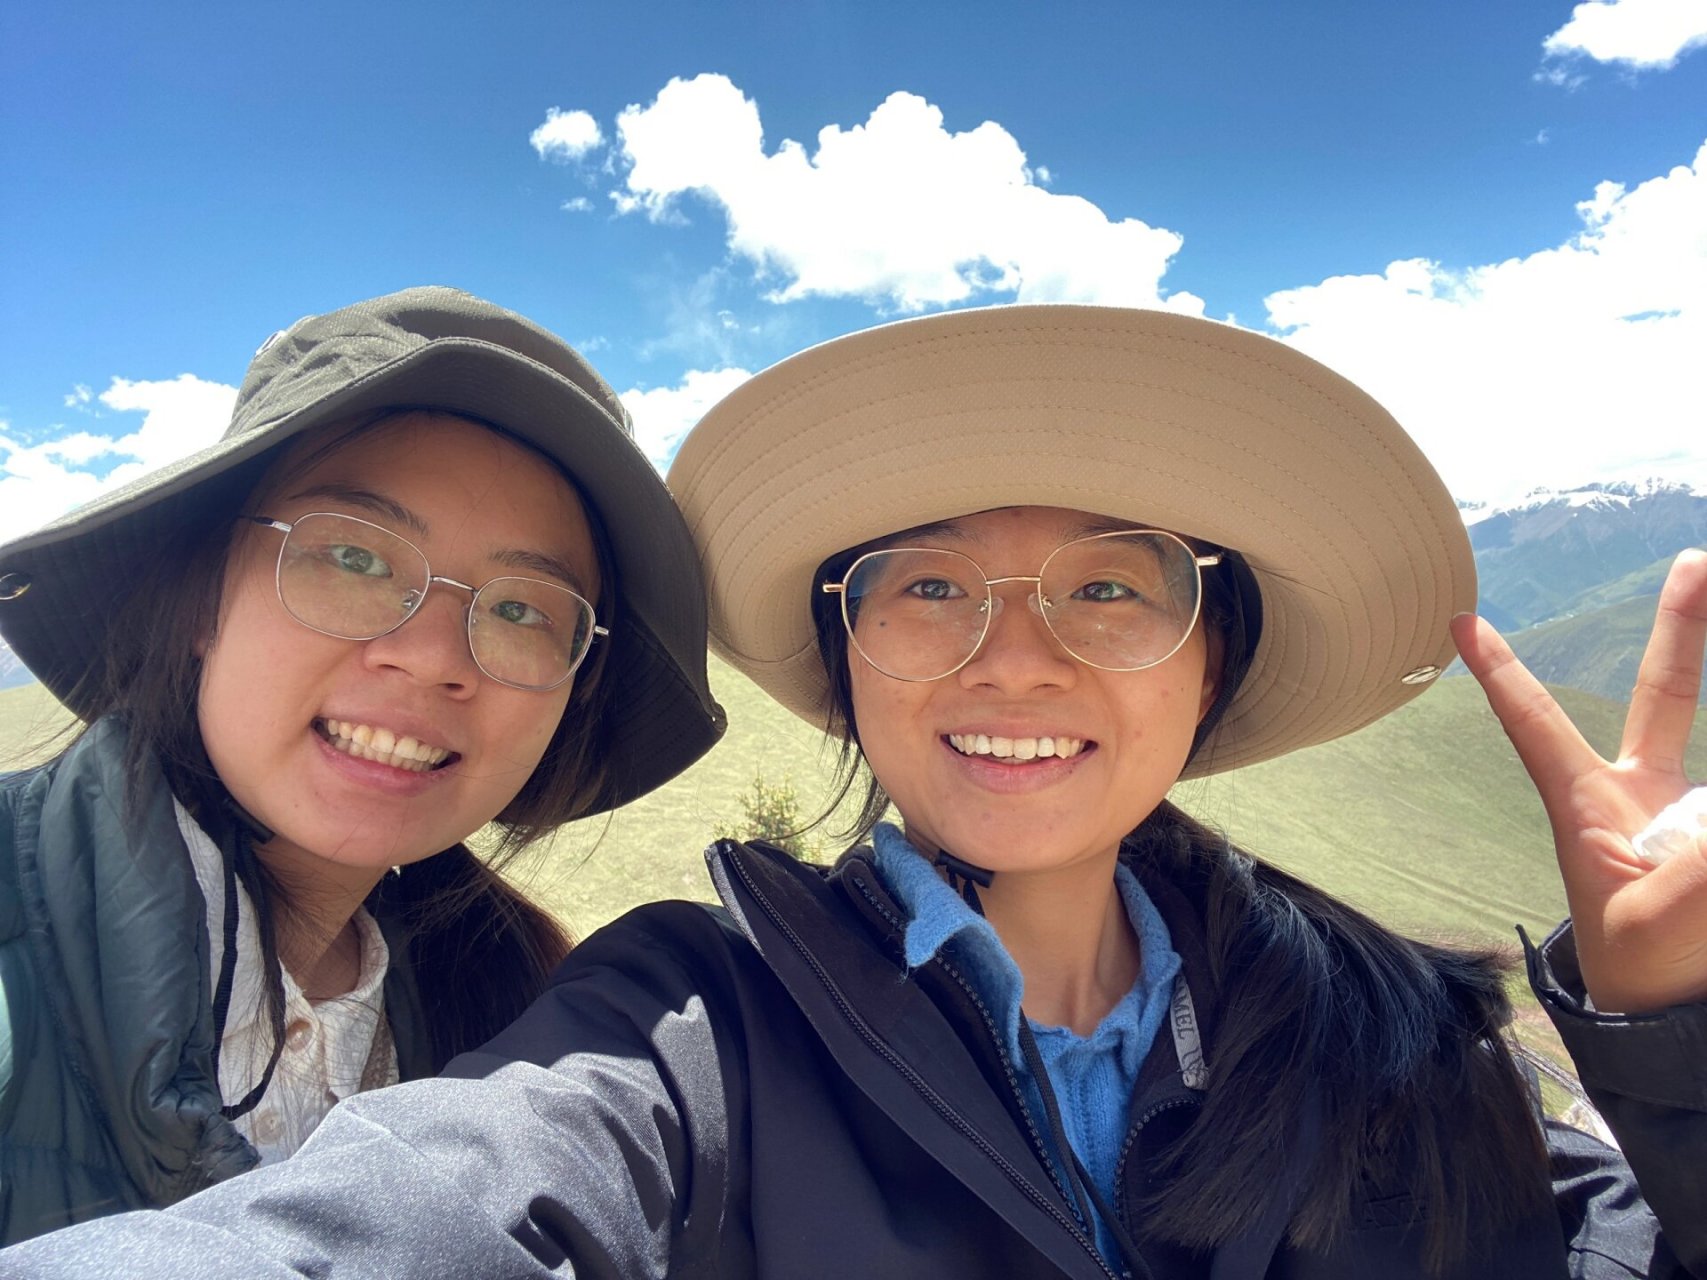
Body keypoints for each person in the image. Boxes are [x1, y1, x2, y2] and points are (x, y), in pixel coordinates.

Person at [3, 305, 1702, 1278]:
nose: (1013, 661)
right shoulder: (692, 1030)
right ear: (846, 666)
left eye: (1111, 589)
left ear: (1213, 664)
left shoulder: (1410, 1042)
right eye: (925, 587)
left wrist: (1663, 1033)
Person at [0, 287, 724, 1246]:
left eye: (522, 610)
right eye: (351, 555)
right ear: (201, 602)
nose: (430, 656)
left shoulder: (522, 1011)